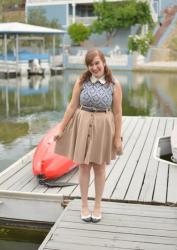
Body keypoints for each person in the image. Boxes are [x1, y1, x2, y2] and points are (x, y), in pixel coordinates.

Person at [54, 48, 123, 223]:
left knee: (99, 167)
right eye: (90, 64)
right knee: (83, 166)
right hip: (82, 123)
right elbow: (71, 106)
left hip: (103, 126)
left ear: (104, 62)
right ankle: (84, 205)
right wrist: (61, 128)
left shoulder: (114, 84)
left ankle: (98, 205)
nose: (94, 67)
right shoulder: (82, 80)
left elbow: (117, 114)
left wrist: (117, 138)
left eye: (96, 63)